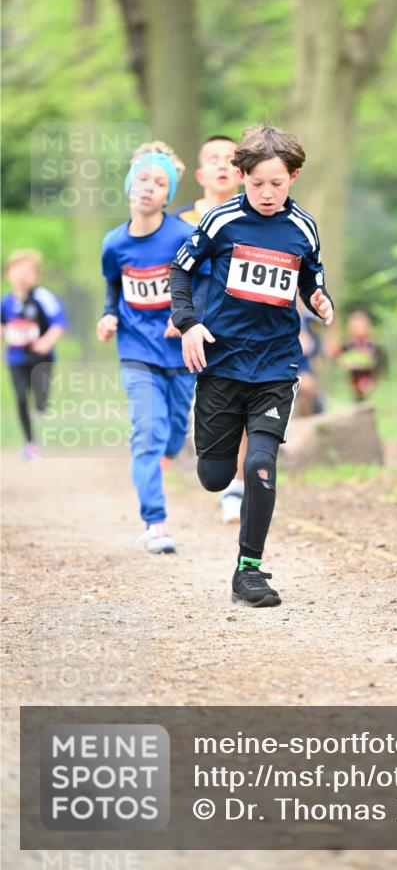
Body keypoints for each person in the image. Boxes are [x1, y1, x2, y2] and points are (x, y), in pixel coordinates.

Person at [170, 124, 334, 606]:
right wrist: (188, 323)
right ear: (241, 177)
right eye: (257, 183)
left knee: (261, 464)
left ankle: (249, 569)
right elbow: (182, 270)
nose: (266, 193)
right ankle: (216, 459)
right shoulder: (220, 222)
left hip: (276, 364)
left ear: (294, 177)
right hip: (222, 361)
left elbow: (312, 277)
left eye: (277, 184)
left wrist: (320, 298)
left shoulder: (302, 227)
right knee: (215, 476)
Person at [97, 141, 196, 554]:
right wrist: (109, 314)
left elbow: (204, 283)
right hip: (136, 350)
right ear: (129, 186)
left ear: (168, 195)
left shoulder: (183, 236)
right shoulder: (114, 243)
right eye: (142, 179)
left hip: (179, 353)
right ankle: (155, 523)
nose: (148, 187)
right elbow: (114, 285)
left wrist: (184, 315)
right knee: (148, 435)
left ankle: (162, 456)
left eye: (159, 182)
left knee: (174, 435)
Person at [174, 134, 248, 524]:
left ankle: (235, 489)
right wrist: (174, 317)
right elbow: (163, 273)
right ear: (201, 173)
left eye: (229, 159)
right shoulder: (179, 222)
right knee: (197, 420)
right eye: (213, 159)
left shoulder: (254, 217)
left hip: (237, 330)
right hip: (186, 331)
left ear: (240, 172)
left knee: (243, 406)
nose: (222, 164)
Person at [1, 249, 67, 460]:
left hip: (41, 359)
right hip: (16, 358)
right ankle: (30, 444)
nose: (22, 275)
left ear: (36, 275)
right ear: (7, 274)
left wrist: (46, 341)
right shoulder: (6, 302)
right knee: (21, 398)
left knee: (40, 400)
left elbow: (59, 322)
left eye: (27, 271)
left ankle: (41, 404)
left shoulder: (42, 297)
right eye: (17, 270)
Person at [338, 309, 384, 401]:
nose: (358, 330)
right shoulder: (348, 346)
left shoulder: (372, 345)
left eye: (361, 327)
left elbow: (377, 365)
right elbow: (341, 362)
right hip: (353, 384)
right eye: (355, 327)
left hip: (370, 381)